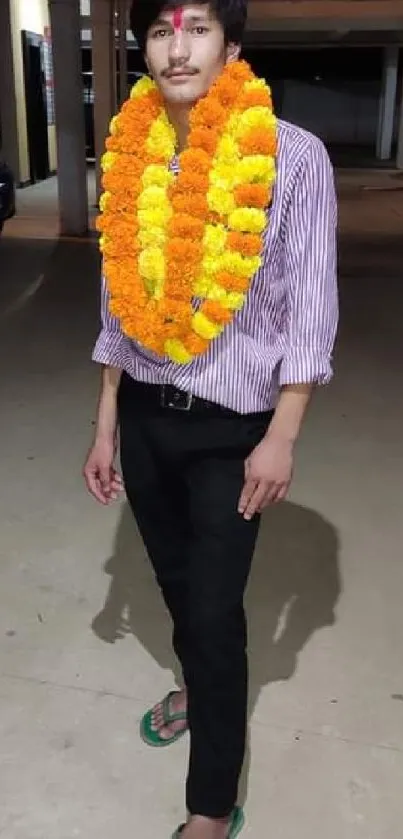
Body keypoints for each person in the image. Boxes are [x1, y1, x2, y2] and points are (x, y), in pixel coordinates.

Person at [83, 2, 339, 837]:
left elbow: (308, 307)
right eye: (159, 31)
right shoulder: (129, 149)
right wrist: (107, 415)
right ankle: (196, 683)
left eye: (196, 29)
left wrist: (284, 433)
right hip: (149, 413)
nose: (176, 47)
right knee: (173, 578)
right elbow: (118, 300)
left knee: (215, 607)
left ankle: (209, 801)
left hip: (236, 426)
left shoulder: (292, 158)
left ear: (230, 45)